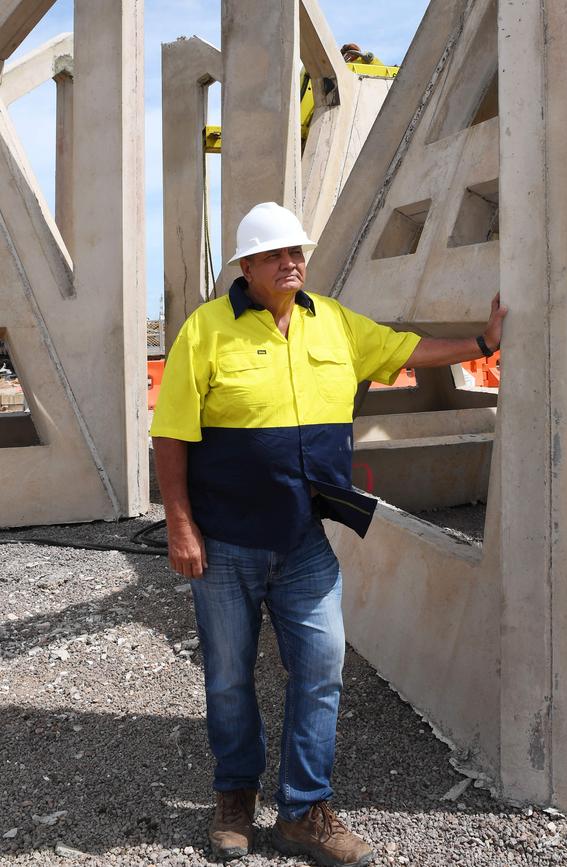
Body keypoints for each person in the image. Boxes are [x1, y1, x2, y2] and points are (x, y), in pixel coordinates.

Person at [151, 202, 507, 867]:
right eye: (279, 253)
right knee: (229, 678)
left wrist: (483, 343)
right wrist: (180, 523)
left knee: (320, 670)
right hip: (224, 543)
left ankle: (304, 809)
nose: (294, 261)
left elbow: (406, 348)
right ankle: (234, 796)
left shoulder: (333, 321)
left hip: (303, 543)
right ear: (248, 266)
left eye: (299, 252)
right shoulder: (205, 331)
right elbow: (169, 431)